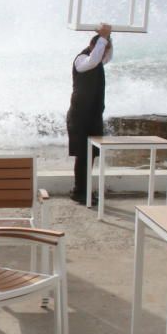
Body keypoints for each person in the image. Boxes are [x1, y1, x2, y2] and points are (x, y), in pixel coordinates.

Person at [66, 23, 113, 205]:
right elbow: (93, 60)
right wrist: (102, 38)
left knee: (91, 154)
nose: (104, 55)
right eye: (101, 49)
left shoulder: (99, 59)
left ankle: (84, 191)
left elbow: (107, 57)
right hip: (79, 115)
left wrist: (107, 37)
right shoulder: (82, 59)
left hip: (93, 115)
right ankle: (79, 192)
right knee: (82, 154)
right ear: (93, 46)